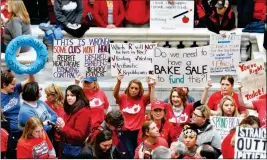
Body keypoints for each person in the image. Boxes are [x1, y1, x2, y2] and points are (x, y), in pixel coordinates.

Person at [113, 73, 155, 158]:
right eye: (131, 88)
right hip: (126, 132)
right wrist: (118, 81)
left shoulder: (142, 99)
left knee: (142, 152)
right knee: (131, 152)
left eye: (136, 88)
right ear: (128, 88)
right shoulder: (123, 97)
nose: (133, 90)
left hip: (140, 132)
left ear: (139, 90)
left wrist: (150, 85)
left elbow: (151, 97)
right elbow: (115, 95)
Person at [55, 85, 91, 158]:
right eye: (67, 95)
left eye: (72, 95)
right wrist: (59, 129)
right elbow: (67, 128)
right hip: (65, 147)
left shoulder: (83, 111)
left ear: (79, 96)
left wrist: (63, 128)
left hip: (75, 150)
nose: (69, 98)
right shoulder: (70, 108)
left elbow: (80, 134)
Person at [1, 70, 35, 140]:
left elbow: (31, 81)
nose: (15, 86)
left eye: (15, 83)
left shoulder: (16, 89)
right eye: (12, 84)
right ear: (4, 85)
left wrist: (30, 71)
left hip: (23, 129)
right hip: (10, 133)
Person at [44, 83, 65, 156]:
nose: (46, 96)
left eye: (48, 95)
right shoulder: (45, 104)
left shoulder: (64, 106)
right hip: (47, 136)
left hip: (60, 138)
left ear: (55, 95)